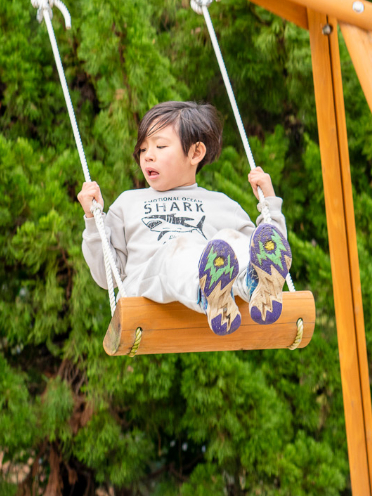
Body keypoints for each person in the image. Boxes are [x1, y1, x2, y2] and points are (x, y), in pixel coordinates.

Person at [79, 101, 293, 335]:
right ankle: (209, 294)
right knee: (179, 248)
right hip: (147, 286)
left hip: (208, 271)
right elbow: (107, 275)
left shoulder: (223, 205)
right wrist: (93, 219)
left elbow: (267, 244)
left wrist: (269, 203)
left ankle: (254, 285)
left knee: (230, 238)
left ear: (195, 153)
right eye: (143, 149)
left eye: (160, 146)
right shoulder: (127, 204)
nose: (148, 156)